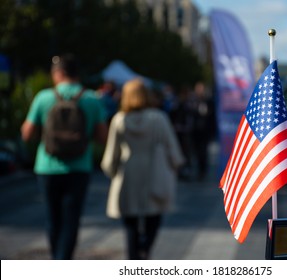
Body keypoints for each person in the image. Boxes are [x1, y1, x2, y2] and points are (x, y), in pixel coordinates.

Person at [20, 54, 108, 259]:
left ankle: (56, 259)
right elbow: (103, 137)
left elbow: (27, 134)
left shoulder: (44, 97)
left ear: (57, 73)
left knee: (53, 218)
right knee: (71, 220)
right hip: (79, 166)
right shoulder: (91, 99)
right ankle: (63, 261)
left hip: (47, 166)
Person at [100, 78, 184, 260]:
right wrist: (175, 165)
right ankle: (145, 249)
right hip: (154, 172)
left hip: (127, 174)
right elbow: (172, 148)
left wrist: (111, 171)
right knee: (154, 217)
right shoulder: (158, 118)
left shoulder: (119, 120)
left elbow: (111, 154)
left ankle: (134, 258)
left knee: (130, 225)